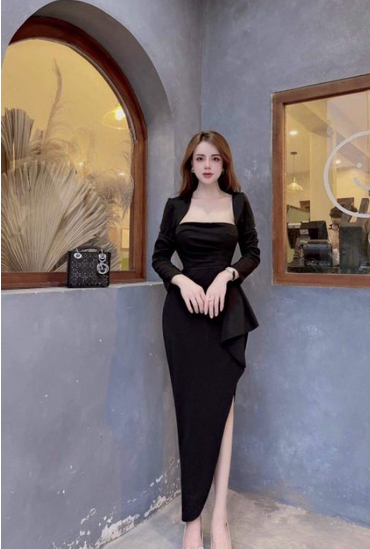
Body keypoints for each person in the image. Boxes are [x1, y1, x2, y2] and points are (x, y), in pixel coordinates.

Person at [152, 131, 260, 549]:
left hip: (224, 316)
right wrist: (180, 280)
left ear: (224, 163)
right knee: (190, 412)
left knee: (222, 410)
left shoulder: (238, 203)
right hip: (183, 319)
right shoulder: (176, 206)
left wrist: (226, 275)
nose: (208, 165)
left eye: (215, 158)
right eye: (200, 158)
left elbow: (251, 253)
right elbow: (160, 256)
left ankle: (220, 517)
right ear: (190, 165)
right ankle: (192, 520)